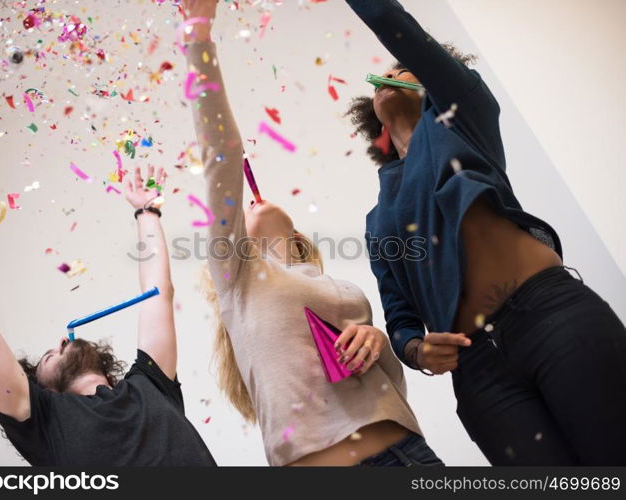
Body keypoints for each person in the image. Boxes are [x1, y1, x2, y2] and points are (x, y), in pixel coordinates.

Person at [344, 0, 626, 465]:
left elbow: (394, 24)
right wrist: (417, 351)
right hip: (478, 372)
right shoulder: (379, 219)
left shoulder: (462, 114)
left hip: (552, 316)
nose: (397, 72)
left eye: (409, 67)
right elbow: (400, 317)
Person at [181, 0, 442, 467]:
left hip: (407, 455)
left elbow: (391, 392)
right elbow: (223, 152)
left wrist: (380, 344)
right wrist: (198, 35)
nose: (249, 203)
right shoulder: (237, 276)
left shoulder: (339, 288)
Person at [0, 166, 216, 466]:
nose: (63, 340)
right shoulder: (43, 421)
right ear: (43, 390)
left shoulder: (150, 383)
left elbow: (158, 292)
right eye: (49, 356)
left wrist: (146, 211)